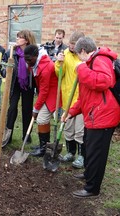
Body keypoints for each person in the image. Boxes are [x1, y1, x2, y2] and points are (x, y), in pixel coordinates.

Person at [63, 37, 120, 198]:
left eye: (78, 55)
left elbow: (104, 81)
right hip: (94, 114)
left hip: (103, 116)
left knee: (97, 153)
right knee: (89, 149)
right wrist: (71, 112)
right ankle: (89, 174)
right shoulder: (90, 63)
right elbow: (84, 97)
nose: (78, 59)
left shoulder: (100, 59)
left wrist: (81, 69)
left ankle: (92, 188)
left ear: (82, 51)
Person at [55, 31, 85, 169]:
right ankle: (70, 152)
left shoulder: (84, 57)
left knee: (79, 130)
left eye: (74, 44)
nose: (71, 47)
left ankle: (81, 156)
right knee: (68, 128)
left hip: (80, 100)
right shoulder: (65, 53)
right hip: (67, 97)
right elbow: (59, 74)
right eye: (71, 44)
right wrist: (59, 62)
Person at [2, 30, 36, 148]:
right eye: (16, 37)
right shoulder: (12, 51)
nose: (17, 39)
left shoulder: (32, 52)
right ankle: (8, 134)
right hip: (15, 84)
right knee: (12, 108)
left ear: (26, 40)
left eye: (19, 37)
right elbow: (3, 64)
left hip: (28, 84)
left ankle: (26, 135)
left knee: (27, 110)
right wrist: (5, 71)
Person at [24, 44, 58, 157]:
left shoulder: (46, 67)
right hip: (47, 93)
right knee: (42, 119)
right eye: (26, 60)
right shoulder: (36, 63)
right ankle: (43, 145)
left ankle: (43, 148)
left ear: (36, 56)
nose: (27, 63)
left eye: (29, 60)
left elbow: (44, 91)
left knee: (41, 119)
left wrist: (36, 108)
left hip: (53, 95)